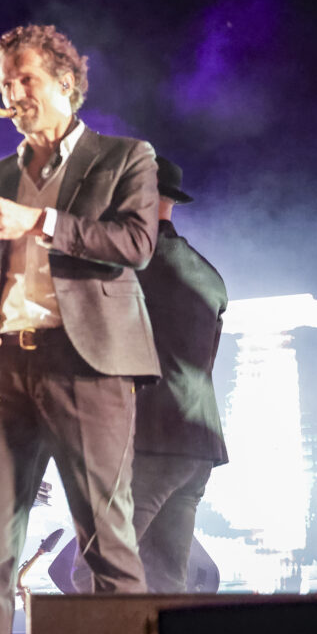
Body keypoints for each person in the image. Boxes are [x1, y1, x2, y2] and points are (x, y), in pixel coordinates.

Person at [0, 24, 161, 634]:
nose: (13, 94)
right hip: (2, 369)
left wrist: (38, 221)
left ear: (66, 83)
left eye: (27, 80)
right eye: (3, 83)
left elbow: (135, 244)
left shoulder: (127, 157)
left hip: (87, 367)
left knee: (106, 547)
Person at [124, 156, 229, 591]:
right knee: (167, 584)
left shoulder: (127, 268)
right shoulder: (210, 277)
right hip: (197, 445)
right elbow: (205, 364)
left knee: (94, 574)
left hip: (151, 440)